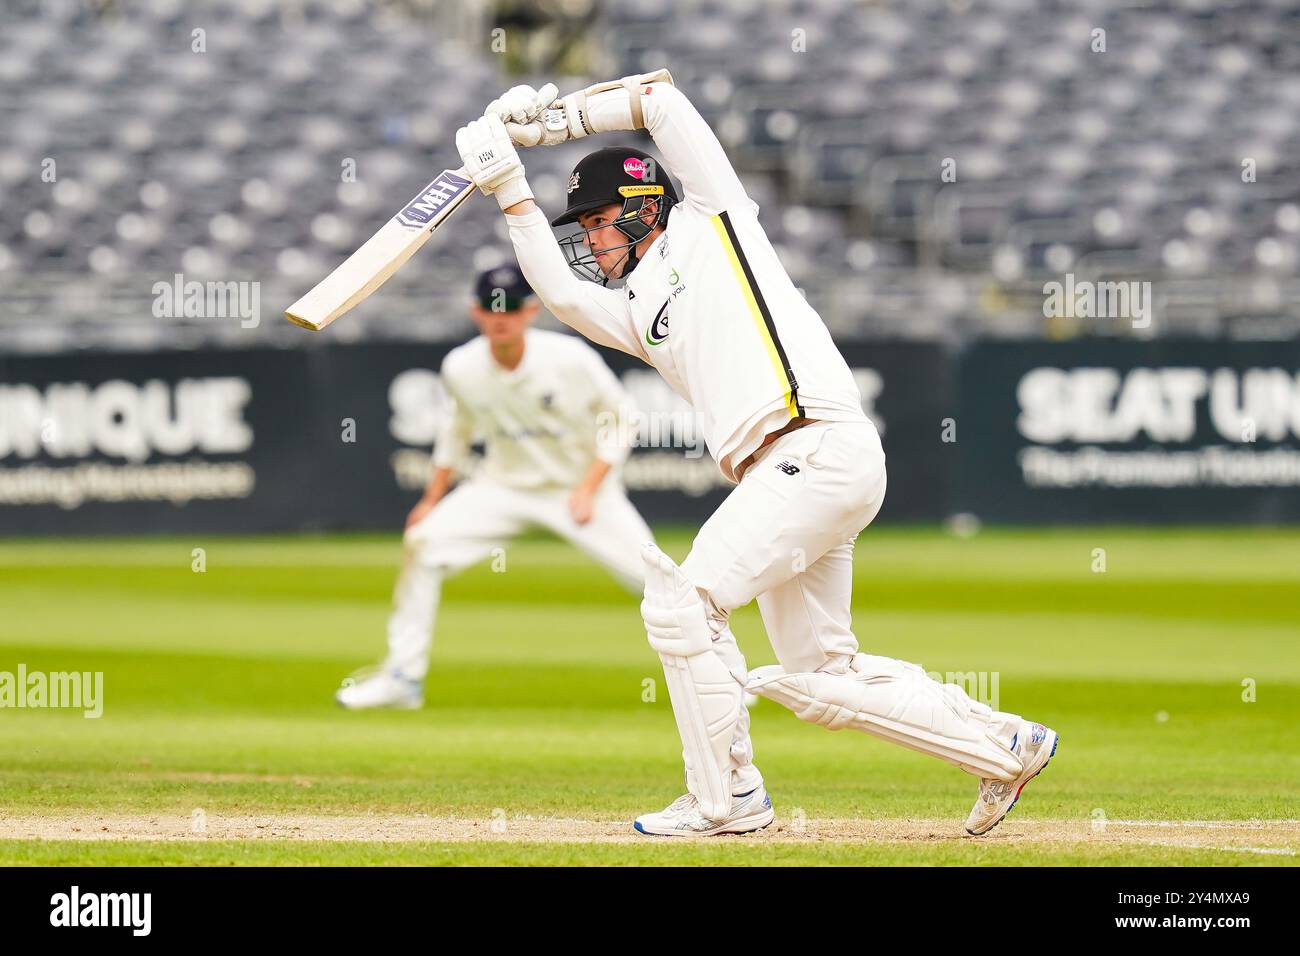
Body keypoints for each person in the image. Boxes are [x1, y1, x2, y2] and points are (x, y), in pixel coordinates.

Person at [453, 72, 1058, 837]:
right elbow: (565, 301)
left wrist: (553, 123)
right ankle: (1006, 742)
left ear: (645, 208)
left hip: (815, 445)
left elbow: (661, 102)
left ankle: (727, 798)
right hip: (793, 470)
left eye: (600, 221)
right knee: (823, 677)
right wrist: (511, 194)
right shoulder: (638, 310)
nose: (591, 239)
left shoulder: (714, 219)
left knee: (683, 602)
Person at [336, 263, 654, 710]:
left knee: (656, 580)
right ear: (476, 312)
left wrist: (588, 488)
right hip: (502, 488)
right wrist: (431, 499)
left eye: (510, 308)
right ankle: (402, 679)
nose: (499, 317)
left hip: (580, 490)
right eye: (490, 307)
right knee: (423, 543)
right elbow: (456, 434)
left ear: (530, 312)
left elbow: (623, 418)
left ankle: (717, 677)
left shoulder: (569, 358)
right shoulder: (461, 367)